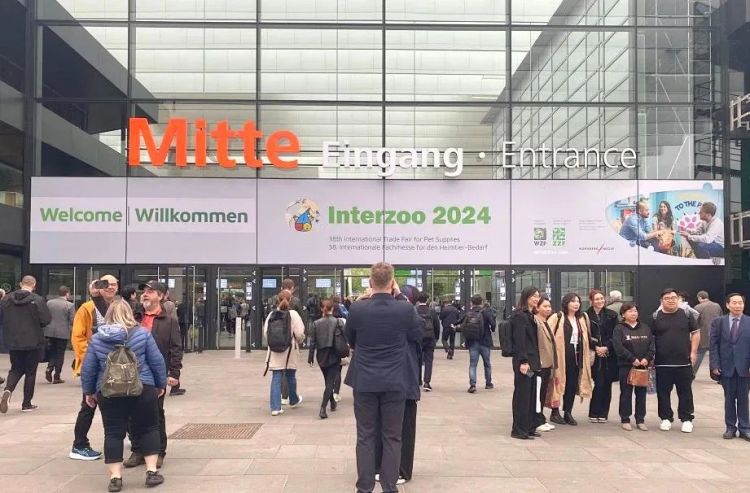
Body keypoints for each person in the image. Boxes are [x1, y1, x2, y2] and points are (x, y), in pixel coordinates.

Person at [344, 262, 421, 493]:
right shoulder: (405, 309)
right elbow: (416, 334)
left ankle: (364, 487)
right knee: (392, 437)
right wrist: (400, 296)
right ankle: (389, 487)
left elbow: (351, 340)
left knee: (365, 436)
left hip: (365, 380)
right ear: (392, 282)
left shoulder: (357, 309)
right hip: (395, 381)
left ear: (370, 281)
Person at [80, 298, 166, 492]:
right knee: (149, 428)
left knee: (113, 432)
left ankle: (115, 478)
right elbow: (157, 361)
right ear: (129, 313)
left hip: (109, 391)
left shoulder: (97, 338)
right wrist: (159, 385)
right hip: (142, 387)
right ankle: (152, 472)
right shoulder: (142, 334)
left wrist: (89, 392)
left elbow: (89, 369)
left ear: (108, 315)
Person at [124, 281, 183, 469]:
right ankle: (137, 450)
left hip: (156, 374)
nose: (145, 294)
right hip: (132, 373)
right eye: (144, 291)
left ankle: (158, 451)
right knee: (132, 413)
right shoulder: (133, 317)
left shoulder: (169, 321)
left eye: (151, 291)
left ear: (161, 296)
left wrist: (174, 373)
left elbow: (176, 348)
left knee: (156, 413)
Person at [70, 274, 118, 461]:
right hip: (94, 366)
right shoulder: (87, 308)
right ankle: (79, 445)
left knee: (122, 402)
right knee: (89, 404)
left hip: (116, 365)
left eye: (113, 284)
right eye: (106, 284)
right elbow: (78, 337)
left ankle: (127, 437)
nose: (110, 287)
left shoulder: (119, 306)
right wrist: (91, 357)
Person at [0, 275, 51, 414]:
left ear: (20, 284)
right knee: (30, 372)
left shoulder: (6, 299)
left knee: (15, 368)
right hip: (33, 341)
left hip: (14, 341)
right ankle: (26, 403)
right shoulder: (38, 300)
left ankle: (7, 390)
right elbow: (46, 320)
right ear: (34, 285)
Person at [652, 288, 700, 433]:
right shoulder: (656, 316)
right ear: (661, 301)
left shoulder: (686, 314)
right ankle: (666, 418)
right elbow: (651, 338)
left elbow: (696, 333)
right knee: (663, 393)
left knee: (685, 392)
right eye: (667, 298)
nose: (671, 300)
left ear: (678, 299)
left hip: (683, 361)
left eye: (674, 297)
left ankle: (686, 419)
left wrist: (693, 352)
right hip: (662, 362)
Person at [547, 293, 594, 426]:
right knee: (558, 383)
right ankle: (555, 412)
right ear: (566, 303)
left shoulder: (582, 318)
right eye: (573, 301)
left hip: (577, 357)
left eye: (578, 301)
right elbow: (548, 336)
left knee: (572, 385)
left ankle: (568, 412)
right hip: (561, 357)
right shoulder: (557, 317)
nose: (576, 304)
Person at [710, 293, 750, 440]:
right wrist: (715, 364)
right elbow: (713, 345)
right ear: (727, 305)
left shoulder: (749, 322)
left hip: (745, 367)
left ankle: (745, 428)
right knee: (729, 399)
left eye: (740, 303)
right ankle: (730, 428)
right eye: (734, 303)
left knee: (744, 399)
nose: (737, 306)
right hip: (726, 367)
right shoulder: (718, 322)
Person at [613, 303, 655, 431]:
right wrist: (632, 359)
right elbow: (618, 347)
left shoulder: (645, 328)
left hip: (643, 366)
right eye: (630, 311)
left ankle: (640, 419)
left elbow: (651, 345)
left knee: (641, 394)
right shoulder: (619, 329)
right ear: (623, 314)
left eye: (635, 311)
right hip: (627, 366)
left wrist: (647, 358)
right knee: (626, 393)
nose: (633, 313)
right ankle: (625, 419)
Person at [264, 290, 305, 416]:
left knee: (276, 376)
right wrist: (298, 341)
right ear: (291, 299)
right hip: (289, 350)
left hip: (274, 350)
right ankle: (293, 399)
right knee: (290, 375)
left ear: (277, 300)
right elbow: (300, 333)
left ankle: (275, 407)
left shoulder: (272, 314)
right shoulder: (293, 314)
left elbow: (266, 332)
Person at [510, 287, 542, 440]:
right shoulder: (520, 316)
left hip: (532, 362)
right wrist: (523, 361)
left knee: (531, 394)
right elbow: (520, 340)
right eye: (533, 296)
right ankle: (519, 429)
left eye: (538, 296)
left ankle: (529, 427)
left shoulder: (530, 315)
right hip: (524, 363)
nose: (536, 299)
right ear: (526, 297)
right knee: (522, 395)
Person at [308, 299, 345, 419]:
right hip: (334, 354)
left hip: (321, 355)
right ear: (332, 309)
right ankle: (323, 408)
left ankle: (332, 402)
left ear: (321, 309)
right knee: (330, 383)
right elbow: (345, 337)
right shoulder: (338, 321)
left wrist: (310, 357)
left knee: (327, 380)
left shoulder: (316, 323)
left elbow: (312, 342)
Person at [587, 289, 619, 423]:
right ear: (591, 301)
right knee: (599, 383)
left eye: (601, 298)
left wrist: (607, 347)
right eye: (596, 299)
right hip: (594, 354)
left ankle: (604, 413)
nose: (600, 301)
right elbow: (585, 336)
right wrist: (596, 347)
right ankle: (594, 412)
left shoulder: (612, 315)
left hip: (609, 354)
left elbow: (616, 334)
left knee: (608, 384)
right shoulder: (585, 316)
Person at [460, 295, 495, 393]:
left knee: (473, 364)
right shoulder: (486, 312)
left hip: (472, 342)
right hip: (485, 341)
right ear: (482, 302)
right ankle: (488, 383)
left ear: (472, 303)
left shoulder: (469, 313)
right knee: (487, 363)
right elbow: (493, 325)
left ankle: (473, 385)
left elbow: (462, 325)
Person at [534, 296, 556, 433]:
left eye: (549, 306)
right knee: (538, 393)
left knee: (543, 392)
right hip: (540, 363)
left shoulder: (545, 321)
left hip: (547, 363)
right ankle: (536, 420)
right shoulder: (536, 321)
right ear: (537, 308)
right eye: (545, 306)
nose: (548, 309)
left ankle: (540, 417)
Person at [44, 285, 75, 384]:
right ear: (67, 294)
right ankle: (57, 376)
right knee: (60, 354)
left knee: (52, 351)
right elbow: (72, 320)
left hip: (49, 331)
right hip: (63, 333)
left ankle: (49, 368)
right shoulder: (70, 305)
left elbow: (45, 316)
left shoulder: (49, 303)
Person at [415, 292, 440, 391]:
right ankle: (427, 382)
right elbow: (437, 325)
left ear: (418, 300)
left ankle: (418, 380)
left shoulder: (415, 310)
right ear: (427, 300)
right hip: (430, 338)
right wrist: (436, 337)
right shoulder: (432, 311)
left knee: (417, 359)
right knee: (429, 360)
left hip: (418, 338)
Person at [694, 290, 723, 374]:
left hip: (703, 336)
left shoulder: (697, 307)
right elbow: (721, 318)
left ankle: (693, 373)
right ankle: (719, 373)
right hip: (717, 334)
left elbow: (694, 323)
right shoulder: (717, 306)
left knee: (699, 355)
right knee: (717, 355)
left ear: (700, 298)